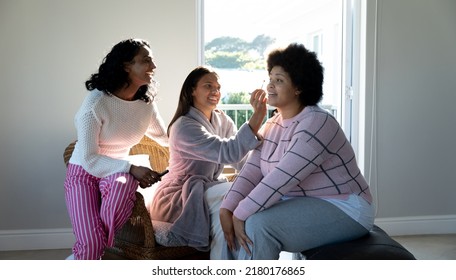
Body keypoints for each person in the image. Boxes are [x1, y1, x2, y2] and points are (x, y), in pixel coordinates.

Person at [219, 43, 375, 260]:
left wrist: (240, 213)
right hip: (303, 201)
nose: (270, 86)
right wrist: (227, 208)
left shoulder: (317, 123)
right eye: (270, 79)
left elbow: (280, 180)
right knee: (228, 218)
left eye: (279, 80)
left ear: (298, 87)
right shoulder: (273, 123)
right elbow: (251, 171)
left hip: (345, 206)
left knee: (258, 224)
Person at [64, 38, 168, 260]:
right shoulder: (96, 103)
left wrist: (199, 135)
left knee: (122, 184)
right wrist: (131, 168)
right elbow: (90, 159)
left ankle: (87, 252)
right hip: (83, 171)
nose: (154, 66)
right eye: (146, 60)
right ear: (125, 65)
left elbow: (166, 138)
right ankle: (88, 252)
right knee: (91, 242)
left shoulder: (145, 104)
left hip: (118, 173)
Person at [148, 66, 267, 259]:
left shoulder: (223, 120)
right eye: (208, 86)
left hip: (207, 190)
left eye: (218, 87)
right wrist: (257, 117)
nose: (215, 92)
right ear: (192, 90)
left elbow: (242, 161)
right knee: (233, 194)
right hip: (178, 196)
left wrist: (270, 174)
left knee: (227, 217)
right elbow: (229, 152)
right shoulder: (183, 126)